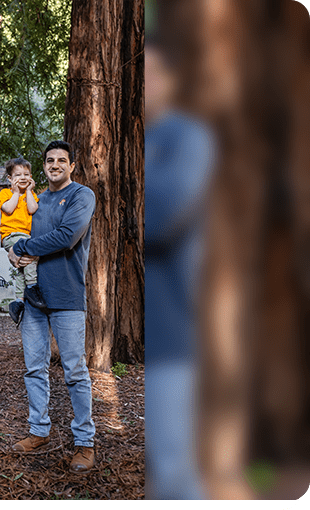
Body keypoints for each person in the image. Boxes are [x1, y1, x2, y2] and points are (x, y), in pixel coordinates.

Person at [144, 43, 215, 499]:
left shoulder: (188, 138)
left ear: (170, 81)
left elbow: (163, 217)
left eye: (150, 74)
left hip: (172, 332)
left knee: (173, 473)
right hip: (146, 333)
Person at [7, 140, 97, 473]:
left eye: (62, 160)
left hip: (68, 298)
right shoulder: (37, 201)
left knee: (75, 371)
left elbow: (67, 235)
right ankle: (39, 430)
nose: (55, 164)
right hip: (34, 299)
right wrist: (15, 253)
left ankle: (85, 443)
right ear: (43, 166)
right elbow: (15, 234)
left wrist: (25, 246)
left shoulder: (81, 196)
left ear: (72, 166)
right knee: (34, 367)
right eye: (49, 160)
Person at [0, 157, 45, 325]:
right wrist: (16, 192)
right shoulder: (6, 193)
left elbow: (33, 209)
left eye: (26, 174)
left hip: (25, 236)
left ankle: (18, 300)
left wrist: (30, 192)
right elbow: (8, 209)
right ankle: (32, 287)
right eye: (18, 174)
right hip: (11, 236)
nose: (23, 177)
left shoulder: (30, 195)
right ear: (10, 179)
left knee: (22, 266)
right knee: (33, 254)